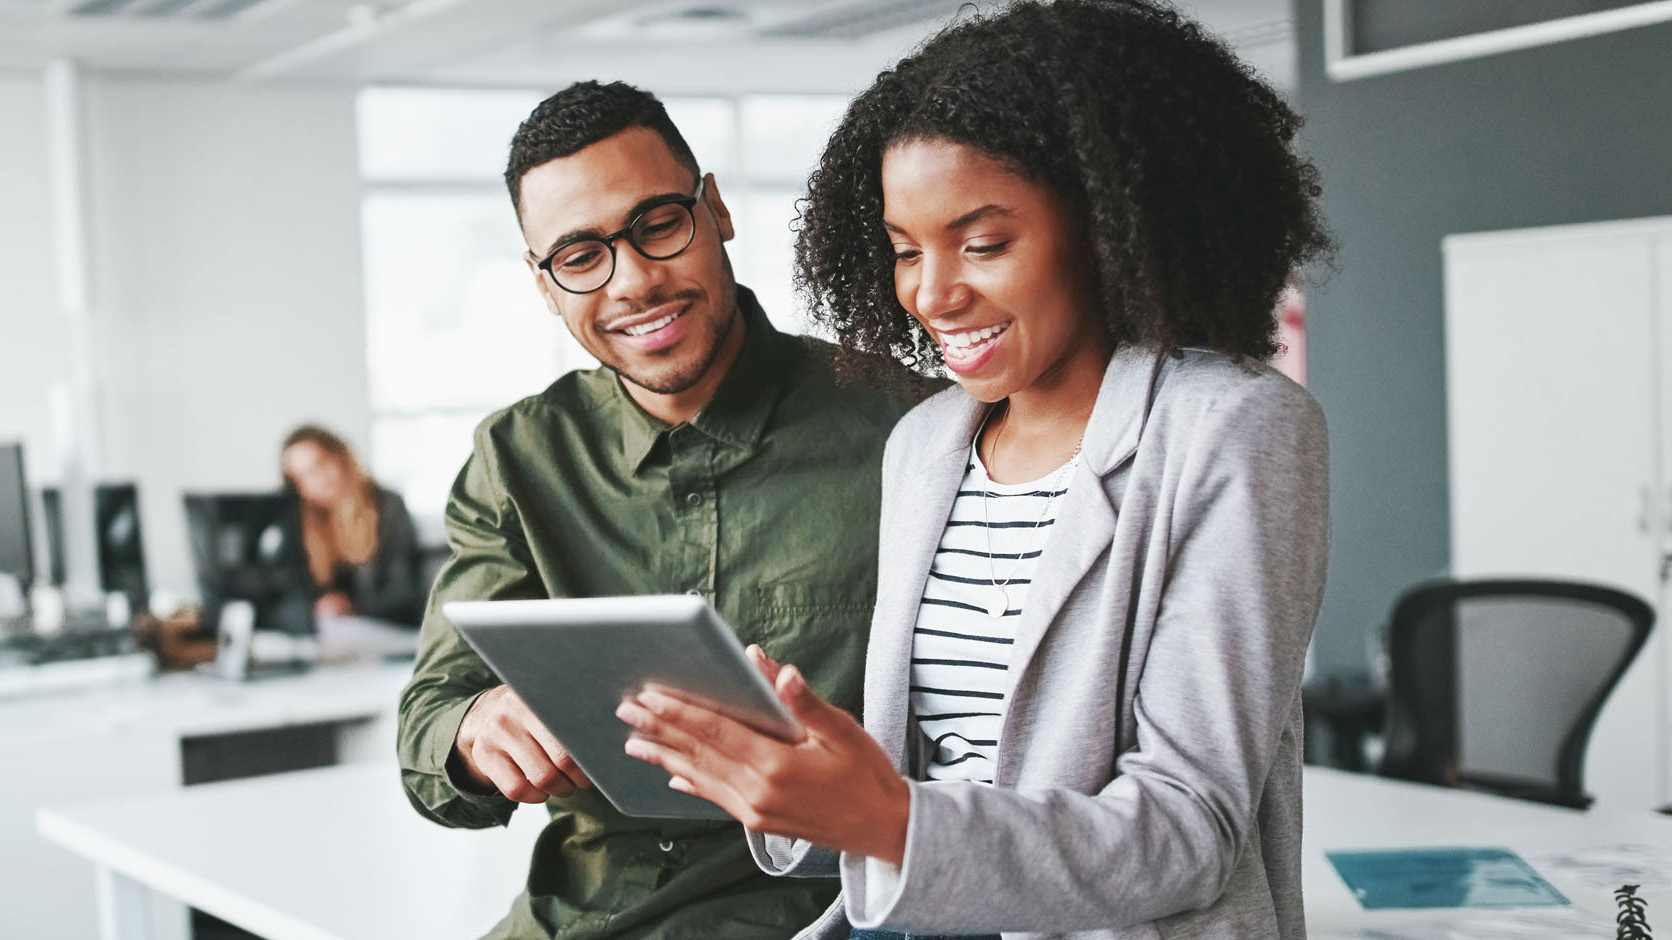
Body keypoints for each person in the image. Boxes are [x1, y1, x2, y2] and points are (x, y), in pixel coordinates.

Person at [616, 2, 1333, 938]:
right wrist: (807, 774)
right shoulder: (925, 445)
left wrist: (888, 815)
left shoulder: (1233, 429)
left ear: (1109, 226)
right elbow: (930, 792)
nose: (933, 292)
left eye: (983, 243)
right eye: (905, 250)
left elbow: (1188, 830)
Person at [395, 81, 924, 940]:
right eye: (579, 257)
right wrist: (474, 727)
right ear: (543, 284)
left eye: (658, 225)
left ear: (714, 209)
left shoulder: (906, 425)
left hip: (826, 915)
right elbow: (428, 730)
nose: (635, 281)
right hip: (581, 916)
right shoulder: (517, 460)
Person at [280, 424, 424, 625]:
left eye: (320, 464)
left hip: (388, 631)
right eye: (303, 476)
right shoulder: (298, 524)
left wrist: (353, 607)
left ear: (339, 456)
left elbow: (406, 592)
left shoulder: (387, 506)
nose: (317, 479)